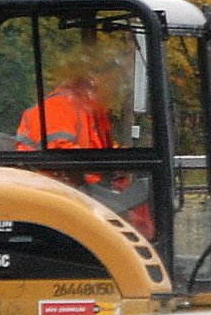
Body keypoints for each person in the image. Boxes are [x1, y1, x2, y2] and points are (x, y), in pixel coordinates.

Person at [16, 53, 154, 238]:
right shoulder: (58, 107)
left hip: (78, 186)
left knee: (142, 195)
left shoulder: (88, 110)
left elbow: (102, 149)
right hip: (56, 190)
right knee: (131, 223)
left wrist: (126, 160)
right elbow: (59, 154)